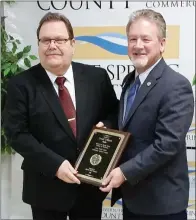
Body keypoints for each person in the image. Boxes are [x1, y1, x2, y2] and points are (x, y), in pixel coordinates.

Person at [3, 12, 118, 220]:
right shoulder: (21, 85)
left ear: (72, 43)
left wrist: (106, 125)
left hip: (89, 188)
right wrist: (54, 165)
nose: (52, 45)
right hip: (44, 188)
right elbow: (16, 134)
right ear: (38, 44)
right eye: (45, 40)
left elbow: (114, 111)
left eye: (59, 39)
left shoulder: (96, 78)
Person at [100, 9, 194, 220]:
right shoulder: (130, 81)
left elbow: (167, 144)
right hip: (133, 199)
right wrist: (106, 125)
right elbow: (126, 121)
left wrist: (123, 172)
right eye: (132, 39)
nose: (138, 45)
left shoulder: (176, 85)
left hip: (161, 204)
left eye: (145, 39)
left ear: (162, 44)